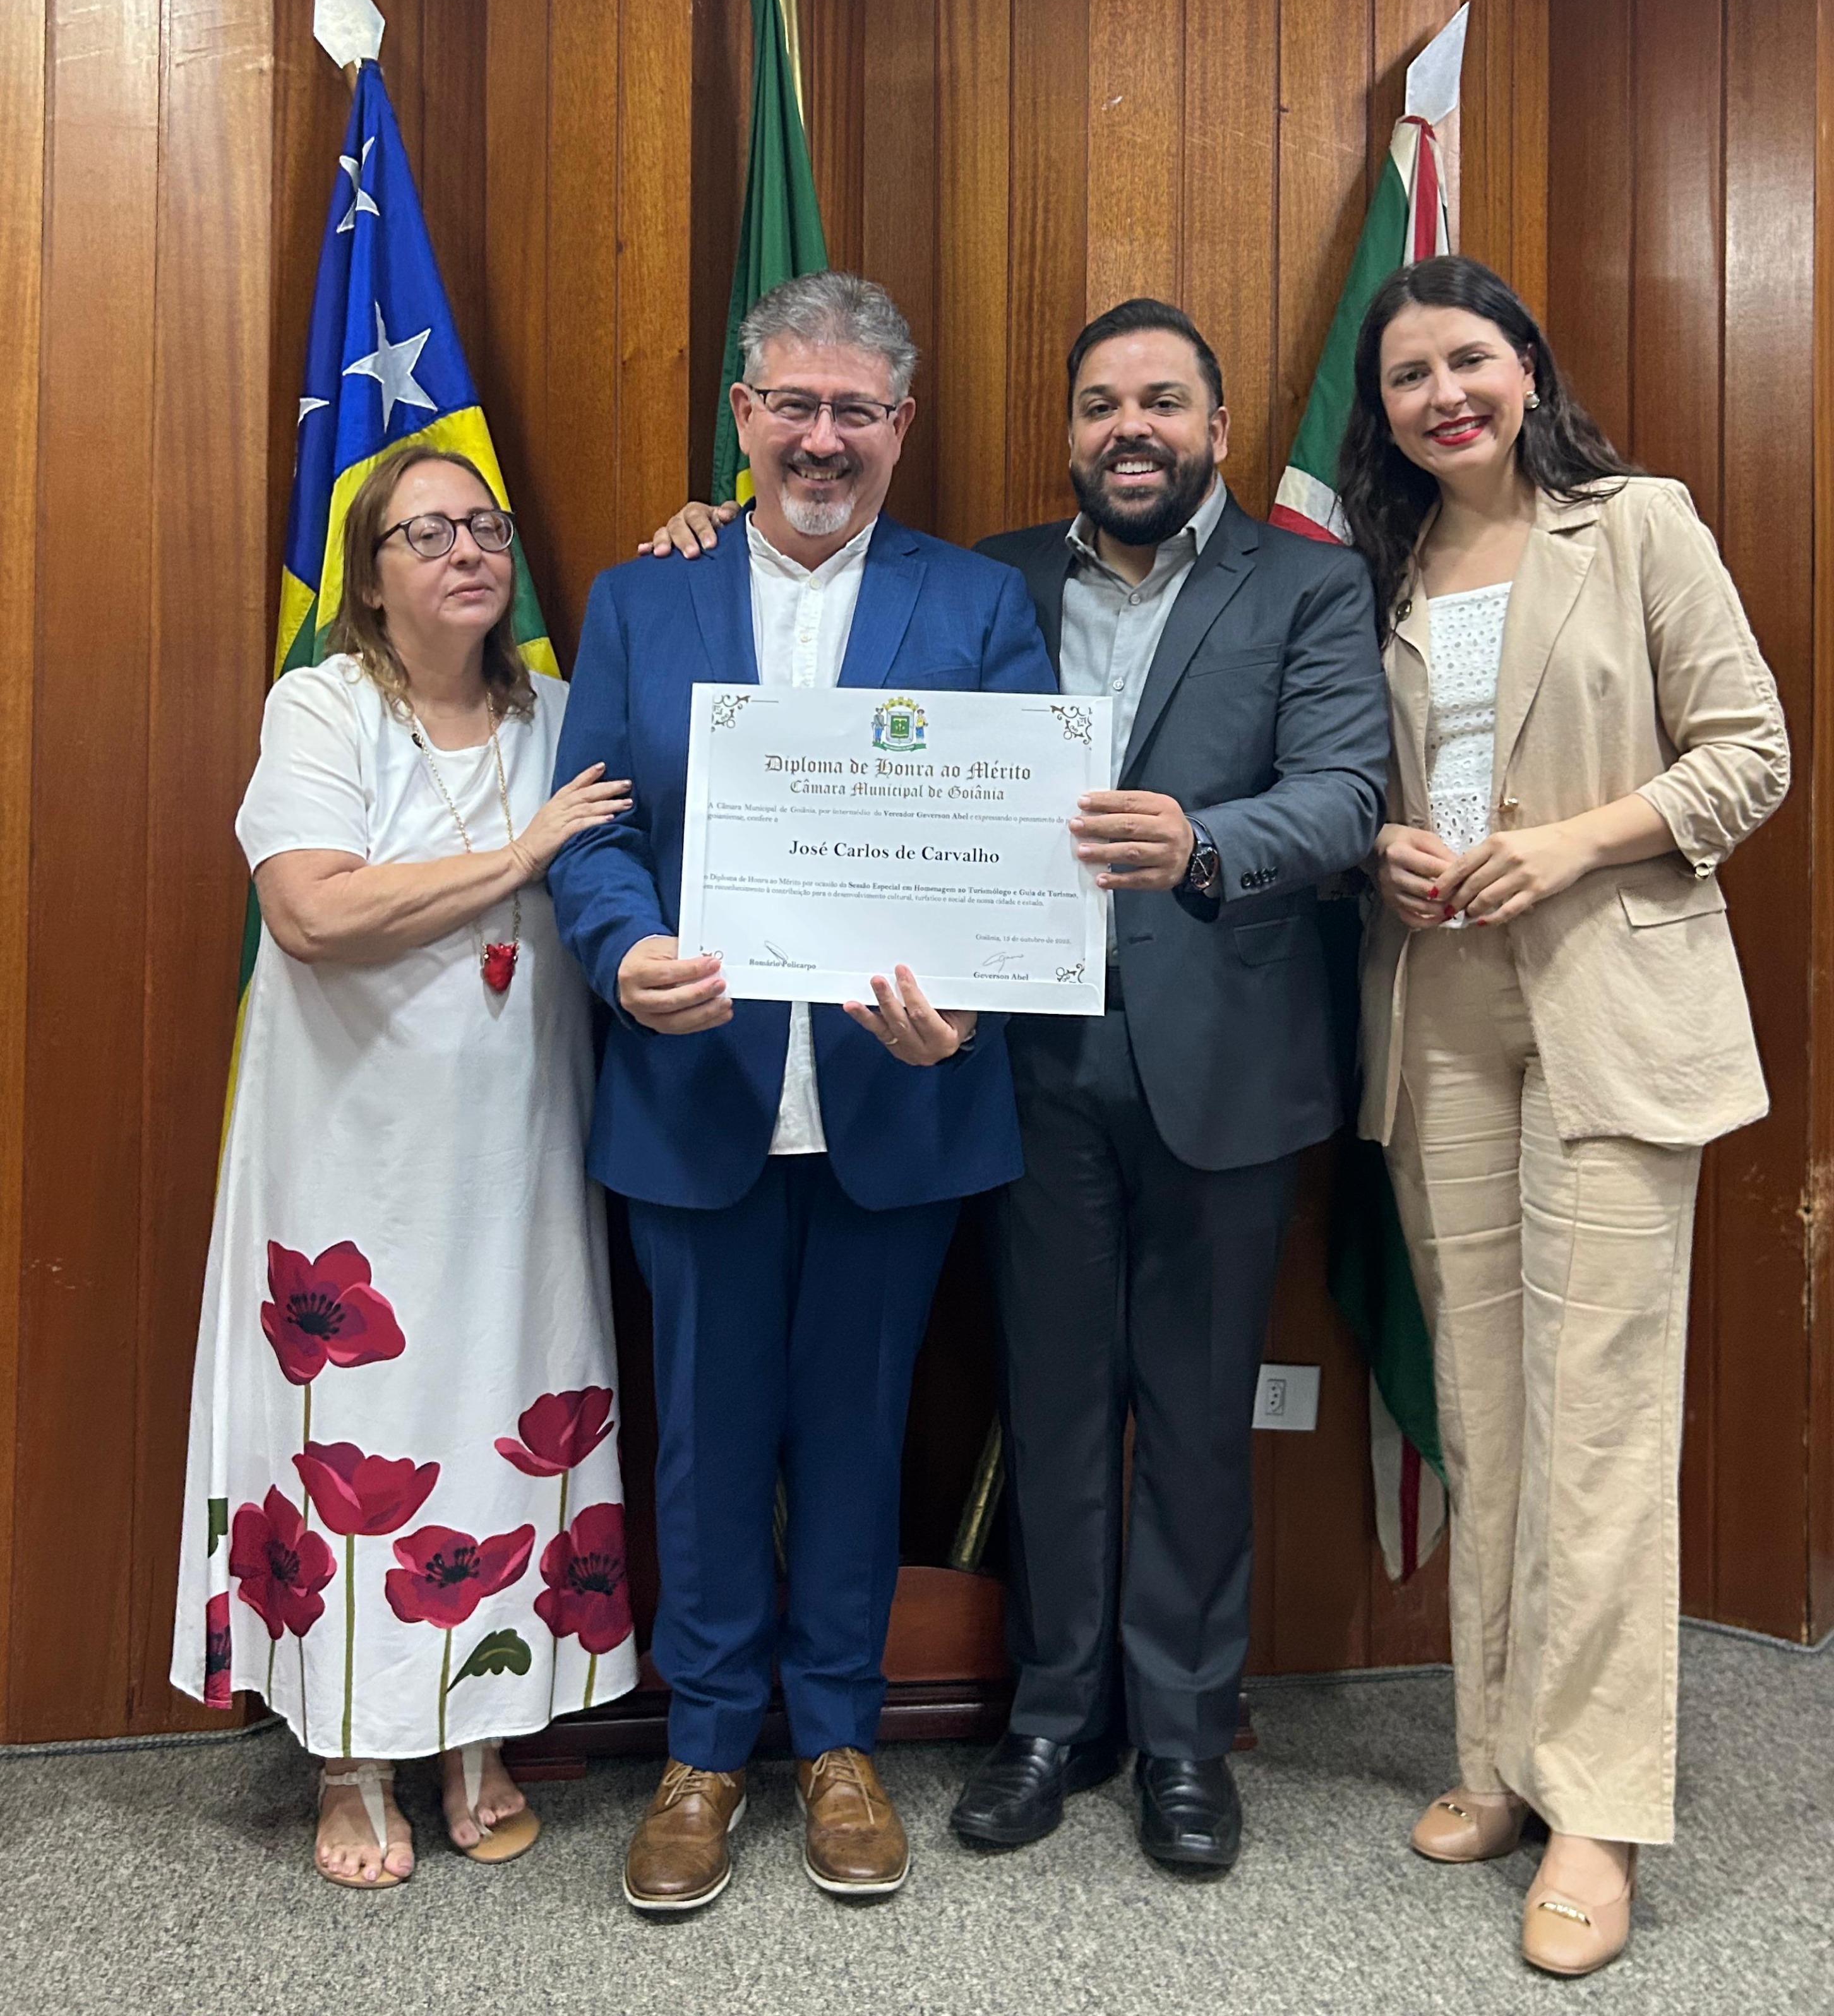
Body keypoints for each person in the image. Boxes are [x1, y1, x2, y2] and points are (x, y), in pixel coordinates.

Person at [644, 295, 1391, 1878]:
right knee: (1049, 1408)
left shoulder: (1310, 583)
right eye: (1103, 403)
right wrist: (710, 524)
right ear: (1069, 432)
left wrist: (1203, 842)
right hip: (1020, 1060)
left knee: (1196, 1419)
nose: (1134, 429)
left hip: (1223, 1059)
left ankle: (1183, 1737)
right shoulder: (993, 580)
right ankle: (1056, 1719)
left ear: (1218, 429)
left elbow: (1346, 795)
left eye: (1165, 402)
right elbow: (836, 700)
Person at [549, 271, 1055, 1915]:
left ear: (900, 426)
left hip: (895, 1101)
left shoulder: (978, 605)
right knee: (703, 1441)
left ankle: (838, 1738)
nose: (822, 438)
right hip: (697, 1086)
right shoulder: (644, 599)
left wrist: (967, 1007)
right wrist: (622, 950)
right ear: (742, 417)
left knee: (857, 1430)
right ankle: (705, 1750)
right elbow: (595, 828)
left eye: (854, 409)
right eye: (793, 404)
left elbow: (1020, 847)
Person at [1345, 256, 1788, 1977]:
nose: (1443, 395)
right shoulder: (1384, 565)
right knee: (1485, 1400)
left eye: (1469, 359)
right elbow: (1377, 783)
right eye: (1409, 376)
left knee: (1597, 1410)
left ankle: (1599, 1810)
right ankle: (1500, 1760)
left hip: (1612, 996)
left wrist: (1574, 844)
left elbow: (1748, 753)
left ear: (1527, 368)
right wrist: (1390, 848)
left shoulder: (1640, 522)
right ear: (1384, 412)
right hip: (1442, 1005)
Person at [174, 445, 639, 1889]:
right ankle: (351, 1754)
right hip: (349, 1160)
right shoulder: (323, 706)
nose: (467, 550)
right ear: (369, 581)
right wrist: (527, 850)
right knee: (358, 1426)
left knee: (503, 1398)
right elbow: (311, 914)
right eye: (425, 534)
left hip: (515, 1149)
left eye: (484, 525)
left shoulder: (560, 712)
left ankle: (478, 1730)